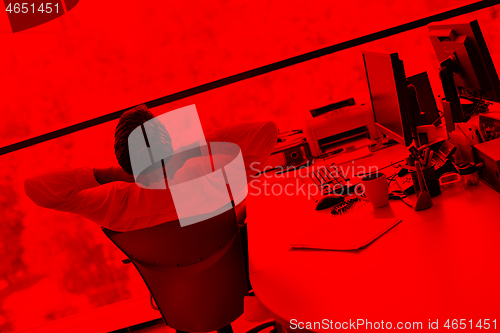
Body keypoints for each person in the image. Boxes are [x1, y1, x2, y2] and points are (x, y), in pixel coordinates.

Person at [24, 105, 278, 231]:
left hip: (173, 297)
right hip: (230, 277)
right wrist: (185, 151)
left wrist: (110, 174)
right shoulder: (210, 177)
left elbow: (35, 189)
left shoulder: (113, 204)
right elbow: (267, 132)